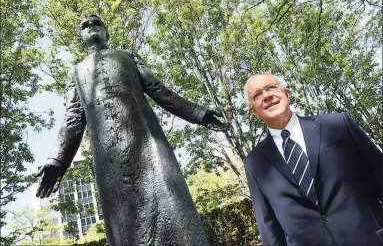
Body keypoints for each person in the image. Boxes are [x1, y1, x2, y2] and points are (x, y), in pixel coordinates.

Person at [34, 15, 227, 246]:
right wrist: (57, 160)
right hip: (109, 160)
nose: (91, 27)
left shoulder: (128, 56)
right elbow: (73, 119)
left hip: (148, 144)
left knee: (173, 207)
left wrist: (198, 113)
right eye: (85, 26)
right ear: (81, 37)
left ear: (106, 32)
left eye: (96, 23)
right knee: (125, 224)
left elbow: (158, 89)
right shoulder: (75, 72)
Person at [243, 74, 383, 246]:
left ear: (287, 94)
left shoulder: (338, 124)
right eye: (257, 95)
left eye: (271, 87)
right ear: (253, 111)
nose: (266, 96)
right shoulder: (254, 163)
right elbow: (268, 224)